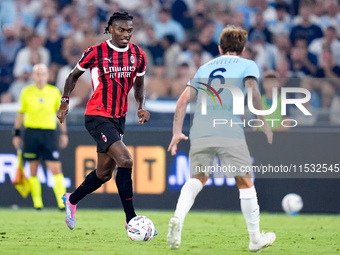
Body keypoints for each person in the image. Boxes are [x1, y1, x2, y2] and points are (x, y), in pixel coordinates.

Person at [167, 25, 276, 252]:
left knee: (197, 178)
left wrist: (177, 133)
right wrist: (263, 120)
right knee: (245, 181)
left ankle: (178, 217)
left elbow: (181, 101)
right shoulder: (248, 65)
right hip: (229, 128)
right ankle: (255, 238)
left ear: (219, 48)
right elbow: (253, 92)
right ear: (244, 49)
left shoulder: (205, 67)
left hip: (201, 129)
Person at [57, 12, 155, 234]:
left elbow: (139, 86)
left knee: (103, 174)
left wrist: (141, 106)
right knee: (126, 160)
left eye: (129, 30)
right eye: (121, 30)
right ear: (110, 28)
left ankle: (71, 199)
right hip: (97, 115)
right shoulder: (96, 52)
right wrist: (64, 102)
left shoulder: (138, 55)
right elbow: (72, 77)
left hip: (118, 118)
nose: (126, 34)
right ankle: (131, 220)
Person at [12, 63, 68, 210]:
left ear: (47, 76)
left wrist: (63, 133)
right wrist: (16, 133)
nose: (40, 77)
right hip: (31, 132)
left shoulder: (54, 92)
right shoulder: (26, 92)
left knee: (55, 167)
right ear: (33, 76)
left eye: (43, 74)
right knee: (33, 168)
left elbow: (60, 114)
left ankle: (62, 203)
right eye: (38, 74)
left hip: (49, 133)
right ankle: (38, 204)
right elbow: (20, 113)